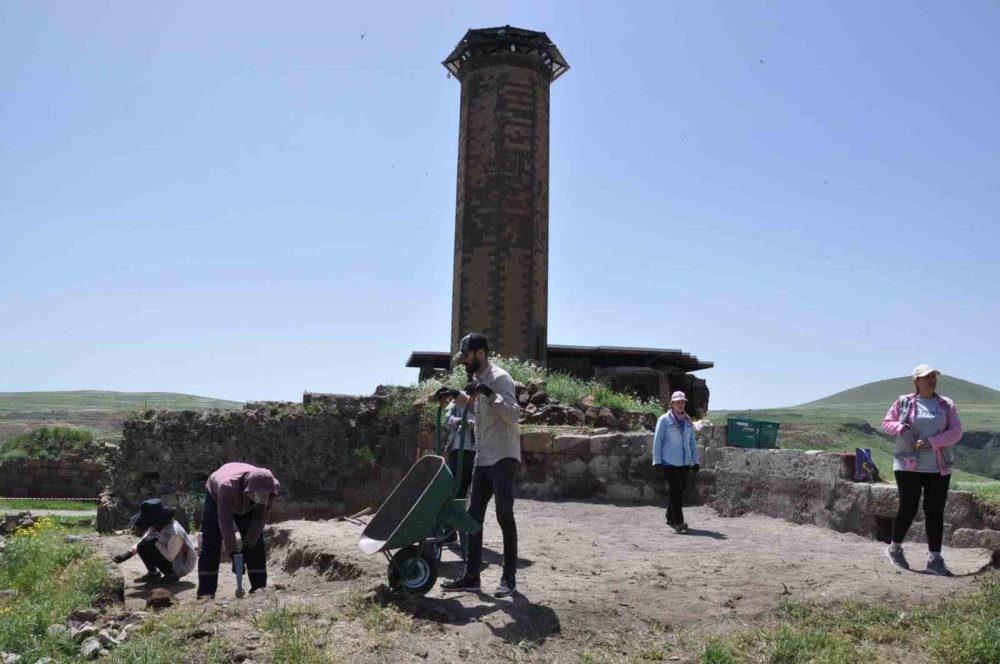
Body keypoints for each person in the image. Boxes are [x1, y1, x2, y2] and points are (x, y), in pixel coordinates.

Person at [436, 333, 521, 597]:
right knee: (472, 518)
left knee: (504, 515)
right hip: (483, 457)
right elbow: (476, 407)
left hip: (503, 456)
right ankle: (472, 577)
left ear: (480, 354)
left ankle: (509, 577)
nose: (464, 363)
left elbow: (513, 414)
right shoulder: (478, 380)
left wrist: (489, 393)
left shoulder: (499, 378)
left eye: (467, 357)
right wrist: (456, 396)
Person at [882, 364, 963, 576]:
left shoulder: (946, 404)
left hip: (938, 466)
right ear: (916, 381)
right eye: (926, 377)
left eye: (933, 376)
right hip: (908, 465)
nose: (931, 380)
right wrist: (901, 427)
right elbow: (887, 423)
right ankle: (895, 548)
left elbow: (956, 432)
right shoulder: (904, 402)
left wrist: (931, 442)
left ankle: (935, 559)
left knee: (935, 511)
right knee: (908, 508)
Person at [196, 462, 281, 599]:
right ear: (249, 490)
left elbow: (259, 521)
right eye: (258, 495)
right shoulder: (226, 487)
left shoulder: (270, 487)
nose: (261, 499)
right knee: (211, 542)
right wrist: (234, 554)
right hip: (217, 496)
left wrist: (247, 546)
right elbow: (226, 523)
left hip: (244, 496)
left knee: (255, 541)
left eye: (264, 496)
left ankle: (259, 587)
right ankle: (206, 591)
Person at [114, 498, 197, 584]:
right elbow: (143, 541)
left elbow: (170, 556)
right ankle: (153, 573)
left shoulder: (174, 533)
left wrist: (156, 543)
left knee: (150, 544)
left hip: (182, 565)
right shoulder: (155, 526)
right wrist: (127, 554)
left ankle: (172, 576)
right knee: (143, 545)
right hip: (170, 556)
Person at [651, 391, 699, 533]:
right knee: (675, 490)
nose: (680, 404)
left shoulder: (688, 421)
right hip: (668, 461)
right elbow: (658, 440)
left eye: (682, 402)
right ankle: (678, 522)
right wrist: (657, 460)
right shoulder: (664, 420)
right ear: (671, 404)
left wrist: (695, 461)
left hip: (684, 462)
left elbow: (692, 443)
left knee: (679, 490)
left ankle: (669, 516)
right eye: (677, 402)